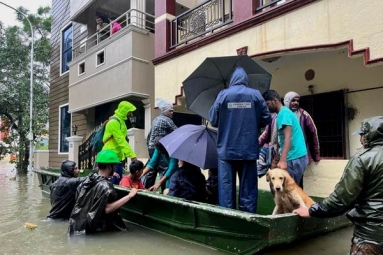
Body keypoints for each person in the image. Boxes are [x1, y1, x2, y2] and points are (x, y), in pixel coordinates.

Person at [293, 116, 383, 255]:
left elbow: (342, 198)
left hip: (370, 234)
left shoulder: (362, 159)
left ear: (368, 135)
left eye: (361, 135)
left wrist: (312, 210)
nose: (360, 139)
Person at [209, 67, 271, 213]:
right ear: (245, 80)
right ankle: (248, 220)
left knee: (226, 189)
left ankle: (228, 218)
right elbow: (267, 118)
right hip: (248, 150)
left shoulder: (223, 95)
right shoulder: (255, 95)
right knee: (248, 189)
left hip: (226, 151)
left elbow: (213, 120)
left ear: (232, 80)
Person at [68, 150, 138, 235]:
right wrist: (130, 196)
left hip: (77, 228)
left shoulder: (87, 180)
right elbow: (107, 209)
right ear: (109, 167)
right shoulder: (105, 186)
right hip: (94, 231)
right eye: (115, 166)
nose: (115, 168)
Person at [262, 90, 307, 185]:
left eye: (267, 103)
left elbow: (288, 137)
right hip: (294, 156)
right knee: (289, 192)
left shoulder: (283, 114)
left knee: (289, 192)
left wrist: (282, 161)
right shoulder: (283, 113)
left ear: (274, 100)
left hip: (294, 158)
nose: (266, 107)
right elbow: (282, 140)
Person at [284, 91, 320, 188]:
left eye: (297, 101)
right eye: (293, 100)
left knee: (297, 186)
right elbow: (268, 134)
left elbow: (313, 134)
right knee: (282, 184)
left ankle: (298, 203)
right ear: (287, 101)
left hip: (298, 156)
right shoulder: (279, 115)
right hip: (282, 157)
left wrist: (315, 155)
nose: (296, 103)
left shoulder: (304, 115)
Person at [144, 98, 177, 190]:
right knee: (163, 170)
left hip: (153, 146)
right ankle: (164, 189)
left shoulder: (156, 119)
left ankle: (147, 189)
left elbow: (149, 135)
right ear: (164, 111)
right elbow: (177, 132)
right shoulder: (167, 120)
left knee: (153, 172)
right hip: (163, 146)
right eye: (170, 111)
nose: (172, 113)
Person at [102, 101, 137, 184]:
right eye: (129, 111)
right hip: (110, 157)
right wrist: (132, 155)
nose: (130, 114)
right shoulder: (114, 122)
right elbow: (120, 140)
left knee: (116, 182)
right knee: (112, 183)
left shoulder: (120, 121)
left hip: (116, 157)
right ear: (124, 110)